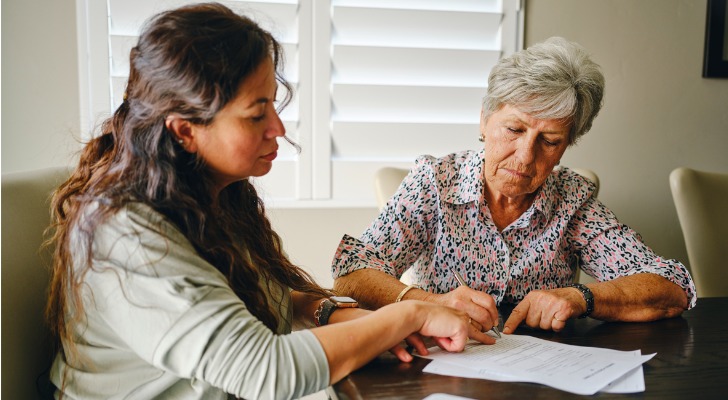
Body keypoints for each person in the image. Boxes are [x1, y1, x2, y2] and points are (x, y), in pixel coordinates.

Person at [45, 3, 493, 399]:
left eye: (274, 106)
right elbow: (265, 371)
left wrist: (336, 314)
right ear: (185, 131)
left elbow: (259, 299)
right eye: (256, 114)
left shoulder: (207, 196)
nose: (278, 128)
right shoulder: (126, 235)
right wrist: (409, 314)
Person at [331, 36, 697, 336]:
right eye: (515, 129)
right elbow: (351, 272)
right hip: (444, 363)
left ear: (565, 147)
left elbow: (671, 287)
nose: (524, 157)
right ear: (485, 120)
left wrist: (580, 296)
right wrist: (428, 301)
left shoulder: (574, 201)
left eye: (549, 140)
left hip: (542, 375)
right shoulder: (435, 183)